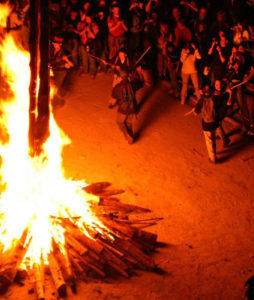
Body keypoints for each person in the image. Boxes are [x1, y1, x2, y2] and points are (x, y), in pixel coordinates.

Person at [193, 84, 232, 163]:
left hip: (206, 124)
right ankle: (224, 141)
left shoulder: (201, 100)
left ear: (203, 92)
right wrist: (229, 92)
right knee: (213, 138)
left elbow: (196, 113)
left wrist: (195, 109)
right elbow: (225, 99)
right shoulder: (216, 99)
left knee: (209, 142)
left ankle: (213, 158)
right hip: (215, 122)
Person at [109, 49, 138, 144]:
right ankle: (131, 138)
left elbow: (113, 99)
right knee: (129, 123)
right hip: (133, 107)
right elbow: (141, 83)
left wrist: (112, 103)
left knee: (120, 122)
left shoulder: (118, 87)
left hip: (124, 108)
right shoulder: (133, 84)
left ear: (120, 77)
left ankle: (128, 135)